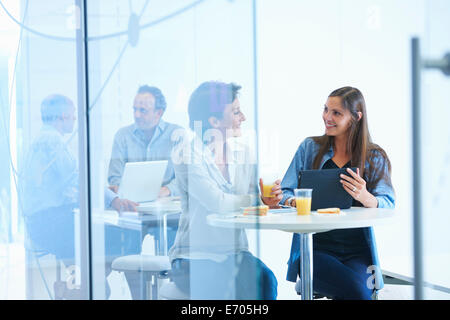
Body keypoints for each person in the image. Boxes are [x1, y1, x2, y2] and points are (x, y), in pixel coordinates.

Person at [279, 86, 395, 300]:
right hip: (315, 250)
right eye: (325, 109)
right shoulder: (309, 148)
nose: (327, 117)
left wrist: (365, 196)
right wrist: (294, 201)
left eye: (336, 113)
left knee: (360, 292)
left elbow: (388, 203)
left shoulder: (374, 156)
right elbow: (284, 192)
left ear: (356, 117)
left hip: (358, 252)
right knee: (359, 294)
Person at [168, 81, 278, 300]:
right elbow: (217, 202)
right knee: (237, 285)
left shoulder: (244, 152)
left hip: (236, 252)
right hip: (193, 256)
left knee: (266, 279)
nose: (243, 117)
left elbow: (254, 203)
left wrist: (268, 199)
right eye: (236, 112)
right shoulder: (188, 155)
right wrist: (256, 199)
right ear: (214, 121)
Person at [21, 94, 135, 298]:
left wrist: (102, 191)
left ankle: (74, 285)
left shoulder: (39, 140)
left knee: (97, 284)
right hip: (55, 224)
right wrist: (113, 199)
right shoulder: (52, 141)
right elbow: (79, 178)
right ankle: (75, 286)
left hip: (43, 223)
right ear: (63, 115)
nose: (75, 119)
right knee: (121, 238)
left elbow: (66, 182)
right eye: (73, 115)